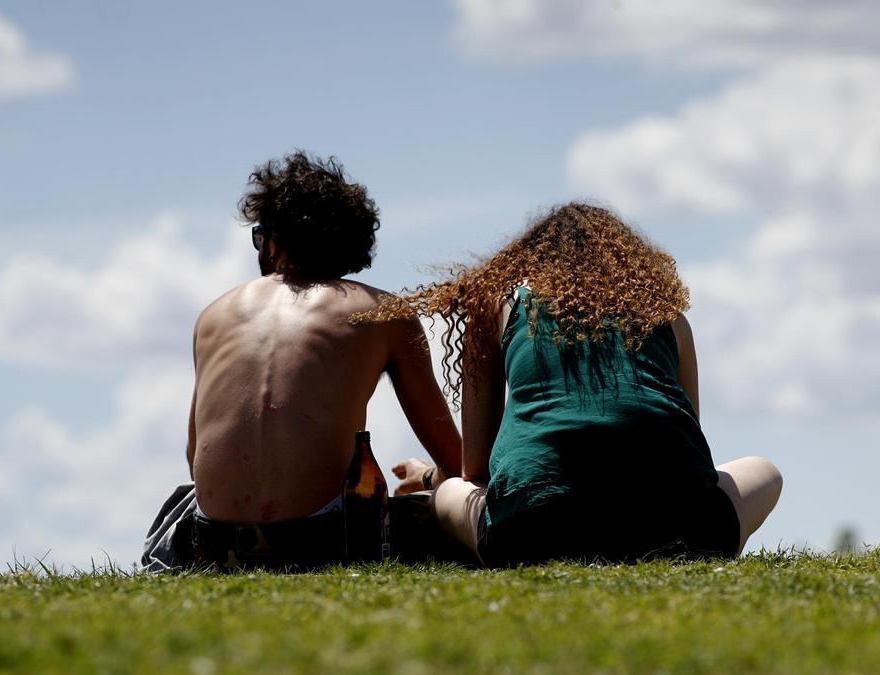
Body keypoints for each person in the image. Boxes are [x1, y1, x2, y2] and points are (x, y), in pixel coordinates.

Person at [359, 203, 783, 566]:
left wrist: (432, 477)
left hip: (534, 531)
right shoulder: (671, 319)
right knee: (765, 471)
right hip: (682, 526)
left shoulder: (499, 303)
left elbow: (476, 470)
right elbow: (693, 455)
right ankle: (685, 544)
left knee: (451, 492)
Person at [143, 151, 461, 570]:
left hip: (215, 546)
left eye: (260, 236)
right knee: (446, 505)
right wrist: (427, 478)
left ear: (273, 240)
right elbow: (456, 461)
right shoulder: (383, 313)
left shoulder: (212, 316)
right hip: (323, 542)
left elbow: (195, 461)